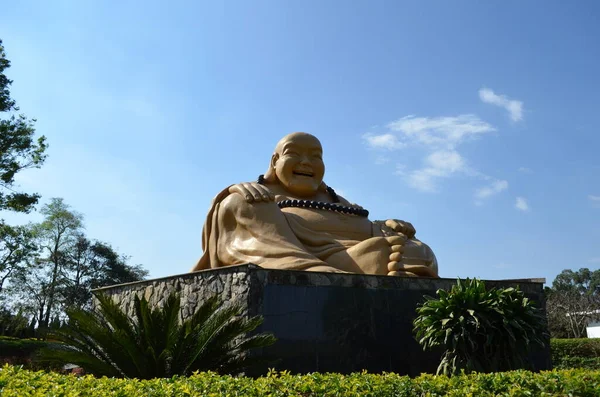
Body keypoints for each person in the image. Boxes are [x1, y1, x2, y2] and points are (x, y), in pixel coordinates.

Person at [192, 132, 438, 277]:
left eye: (315, 156)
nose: (306, 162)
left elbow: (355, 223)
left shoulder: (336, 200)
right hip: (306, 257)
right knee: (237, 203)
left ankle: (370, 259)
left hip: (351, 254)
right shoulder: (257, 194)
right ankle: (311, 268)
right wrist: (232, 190)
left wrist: (385, 226)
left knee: (419, 249)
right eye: (294, 154)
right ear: (275, 161)